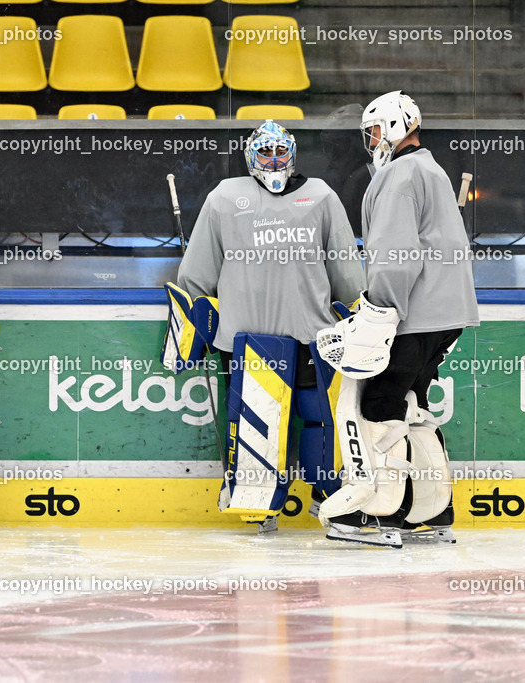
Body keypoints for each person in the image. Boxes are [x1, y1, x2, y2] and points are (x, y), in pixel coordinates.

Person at [168, 120, 365, 531]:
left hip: (313, 333)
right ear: (251, 156)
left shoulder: (321, 196)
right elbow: (199, 269)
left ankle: (327, 494)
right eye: (265, 152)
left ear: (291, 154)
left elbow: (344, 266)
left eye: (280, 152)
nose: (273, 160)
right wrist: (195, 317)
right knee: (254, 421)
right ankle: (258, 502)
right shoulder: (225, 197)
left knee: (319, 418)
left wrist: (355, 309)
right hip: (247, 338)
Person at [315, 91, 479, 547]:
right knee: (413, 403)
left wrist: (378, 309)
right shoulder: (430, 168)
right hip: (446, 314)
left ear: (392, 126)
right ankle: (431, 507)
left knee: (379, 406)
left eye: (372, 131)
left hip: (412, 313)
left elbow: (394, 256)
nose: (369, 141)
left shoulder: (398, 177)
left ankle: (380, 511)